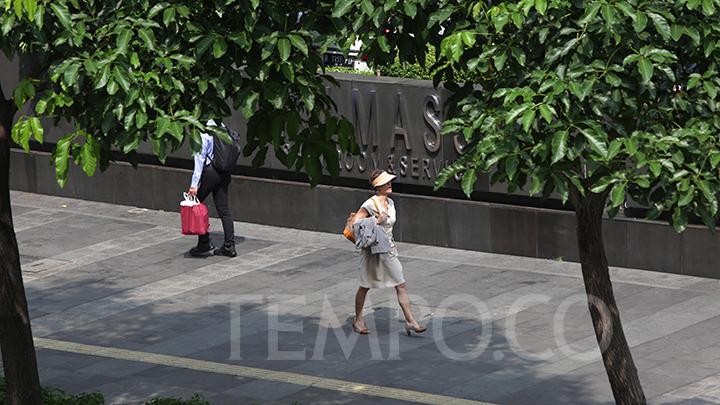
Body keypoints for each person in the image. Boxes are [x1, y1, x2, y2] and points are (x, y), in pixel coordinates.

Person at [351, 169, 426, 335]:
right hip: (373, 252)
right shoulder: (370, 204)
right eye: (385, 183)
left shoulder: (390, 203)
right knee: (365, 286)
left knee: (401, 284)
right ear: (378, 186)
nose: (389, 184)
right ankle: (358, 319)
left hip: (389, 250)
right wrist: (377, 220)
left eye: (389, 181)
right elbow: (356, 224)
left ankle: (410, 321)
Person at [187, 119, 236, 257]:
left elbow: (199, 160)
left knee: (194, 203)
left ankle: (204, 243)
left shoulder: (203, 132)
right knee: (224, 210)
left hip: (210, 172)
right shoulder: (221, 127)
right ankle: (229, 246)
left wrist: (194, 185)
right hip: (224, 172)